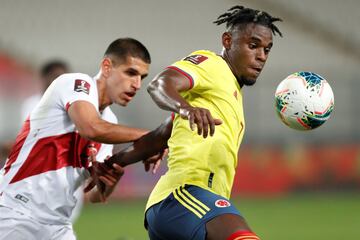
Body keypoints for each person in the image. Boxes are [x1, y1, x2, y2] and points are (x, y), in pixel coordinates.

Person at [104, 5, 282, 240]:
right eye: (253, 45)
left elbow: (161, 135)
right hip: (183, 197)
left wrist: (116, 162)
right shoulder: (212, 65)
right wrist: (185, 108)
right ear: (228, 41)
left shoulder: (228, 95)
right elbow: (159, 85)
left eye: (266, 50)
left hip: (188, 211)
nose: (261, 56)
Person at [0, 38, 160, 240]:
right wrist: (152, 138)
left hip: (58, 225)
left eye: (142, 77)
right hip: (17, 212)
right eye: (130, 73)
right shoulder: (76, 83)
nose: (137, 85)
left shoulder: (110, 121)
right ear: (107, 67)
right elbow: (90, 128)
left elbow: (96, 196)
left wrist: (110, 180)